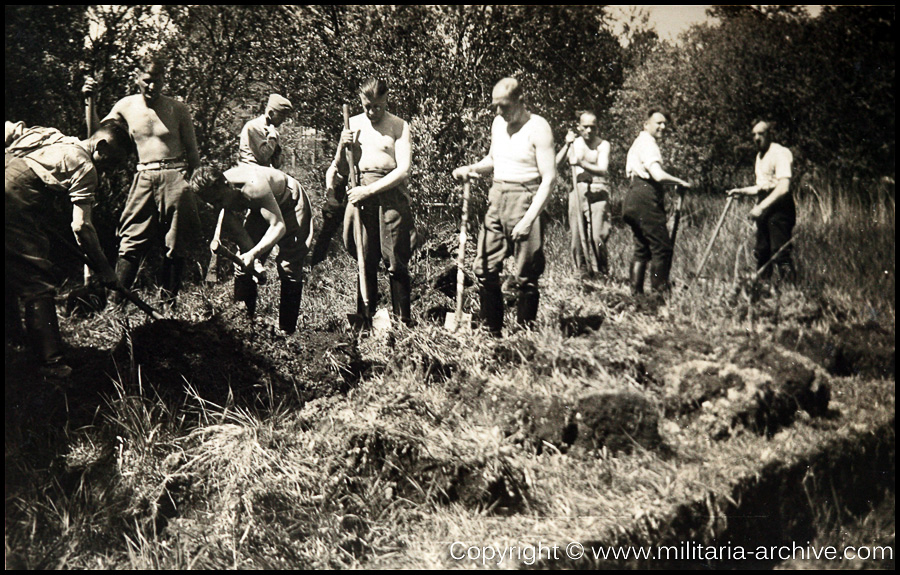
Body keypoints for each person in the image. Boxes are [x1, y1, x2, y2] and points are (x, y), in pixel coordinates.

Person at [6, 119, 132, 378]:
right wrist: (105, 269)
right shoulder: (85, 166)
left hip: (13, 191)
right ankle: (52, 363)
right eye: (113, 162)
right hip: (15, 200)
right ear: (102, 146)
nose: (111, 170)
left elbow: (10, 129)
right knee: (36, 280)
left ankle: (14, 341)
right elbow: (82, 226)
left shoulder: (53, 135)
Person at [83, 54, 201, 307]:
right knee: (130, 238)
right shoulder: (126, 106)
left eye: (157, 81)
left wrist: (190, 185)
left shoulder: (178, 109)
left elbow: (193, 154)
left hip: (175, 176)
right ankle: (117, 305)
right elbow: (96, 135)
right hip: (144, 177)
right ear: (137, 79)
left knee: (175, 243)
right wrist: (89, 100)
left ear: (163, 80)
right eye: (147, 80)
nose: (152, 86)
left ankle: (168, 306)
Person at [452, 77, 557, 336]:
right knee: (485, 267)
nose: (499, 112)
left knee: (526, 274)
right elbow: (493, 159)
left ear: (521, 100)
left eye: (505, 106)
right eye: (495, 106)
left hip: (527, 197)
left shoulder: (538, 128)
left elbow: (549, 179)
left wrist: (528, 219)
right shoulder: (499, 123)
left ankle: (524, 335)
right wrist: (472, 168)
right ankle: (492, 331)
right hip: (497, 196)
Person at [330, 78, 415, 326]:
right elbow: (342, 168)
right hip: (360, 195)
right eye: (367, 106)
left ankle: (403, 324)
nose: (372, 112)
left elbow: (403, 170)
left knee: (396, 261)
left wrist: (369, 191)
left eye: (377, 106)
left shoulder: (399, 126)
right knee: (365, 258)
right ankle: (364, 321)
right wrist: (342, 146)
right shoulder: (353, 124)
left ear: (386, 100)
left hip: (390, 197)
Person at [190, 165, 313, 334]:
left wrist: (254, 253)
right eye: (212, 203)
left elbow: (278, 226)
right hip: (259, 206)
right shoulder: (216, 195)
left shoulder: (254, 185)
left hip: (289, 200)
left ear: (227, 184)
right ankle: (242, 328)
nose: (217, 205)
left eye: (218, 200)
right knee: (242, 266)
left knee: (288, 266)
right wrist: (253, 262)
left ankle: (288, 331)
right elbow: (242, 237)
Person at [622, 109, 692, 296]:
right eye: (658, 123)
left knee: (641, 248)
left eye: (664, 124)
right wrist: (680, 182)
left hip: (632, 198)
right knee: (662, 247)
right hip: (645, 198)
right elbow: (658, 175)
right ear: (646, 124)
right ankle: (659, 296)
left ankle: (636, 295)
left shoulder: (637, 143)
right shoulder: (648, 144)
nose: (662, 127)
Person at [726, 120, 796, 283]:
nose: (757, 138)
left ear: (770, 134)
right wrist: (741, 191)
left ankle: (791, 292)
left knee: (779, 251)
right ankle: (762, 290)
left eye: (761, 134)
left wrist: (760, 207)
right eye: (754, 135)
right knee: (762, 250)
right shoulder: (760, 156)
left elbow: (783, 187)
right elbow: (762, 187)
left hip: (780, 206)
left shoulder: (780, 153)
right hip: (766, 202)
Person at [555, 111, 612, 277]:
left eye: (592, 127)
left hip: (598, 189)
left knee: (597, 236)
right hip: (577, 190)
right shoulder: (574, 144)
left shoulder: (603, 145)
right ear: (579, 127)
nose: (589, 130)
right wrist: (566, 145)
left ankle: (602, 271)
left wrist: (581, 162)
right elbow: (555, 164)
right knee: (577, 235)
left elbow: (602, 169)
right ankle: (581, 271)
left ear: (597, 128)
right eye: (585, 127)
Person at [238, 94, 293, 168]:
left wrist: (278, 151)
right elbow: (263, 156)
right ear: (270, 113)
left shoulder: (273, 131)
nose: (283, 120)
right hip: (250, 169)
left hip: (264, 171)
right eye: (281, 116)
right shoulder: (254, 127)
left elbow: (277, 164)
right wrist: (272, 138)